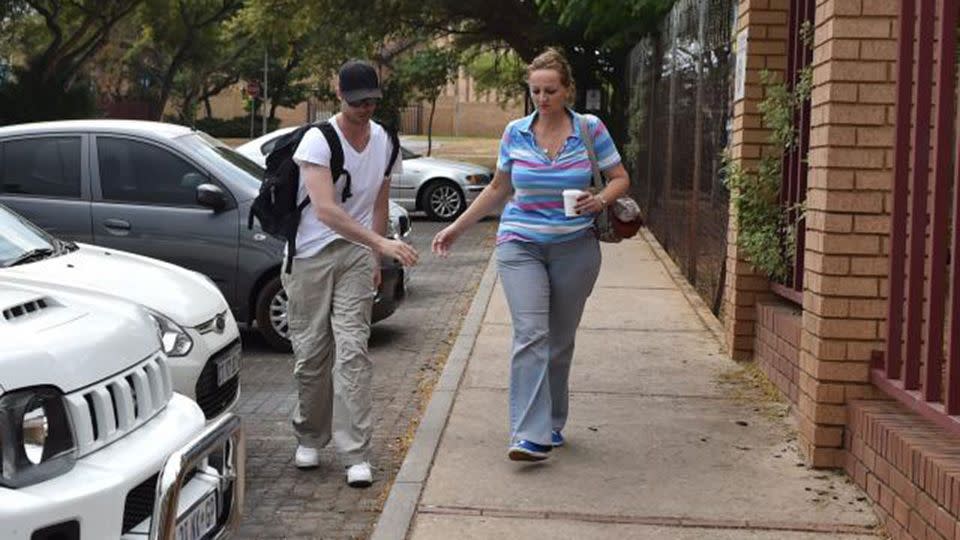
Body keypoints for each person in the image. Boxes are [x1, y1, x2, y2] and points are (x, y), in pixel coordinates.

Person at [432, 48, 630, 461]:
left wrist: (601, 200)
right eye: (536, 90)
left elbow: (619, 177)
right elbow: (497, 189)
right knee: (531, 335)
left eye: (550, 90)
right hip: (520, 243)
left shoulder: (590, 129)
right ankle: (529, 434)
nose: (542, 98)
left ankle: (553, 421)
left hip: (575, 247)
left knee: (559, 341)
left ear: (567, 90)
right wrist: (455, 228)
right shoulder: (515, 133)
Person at [284, 59, 418, 486]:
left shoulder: (385, 140)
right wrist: (380, 244)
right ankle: (309, 436)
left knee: (354, 351)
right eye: (357, 100)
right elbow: (325, 210)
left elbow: (379, 202)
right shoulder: (316, 140)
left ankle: (356, 451)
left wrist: (375, 256)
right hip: (310, 255)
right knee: (311, 353)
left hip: (358, 256)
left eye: (372, 101)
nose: (365, 109)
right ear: (339, 94)